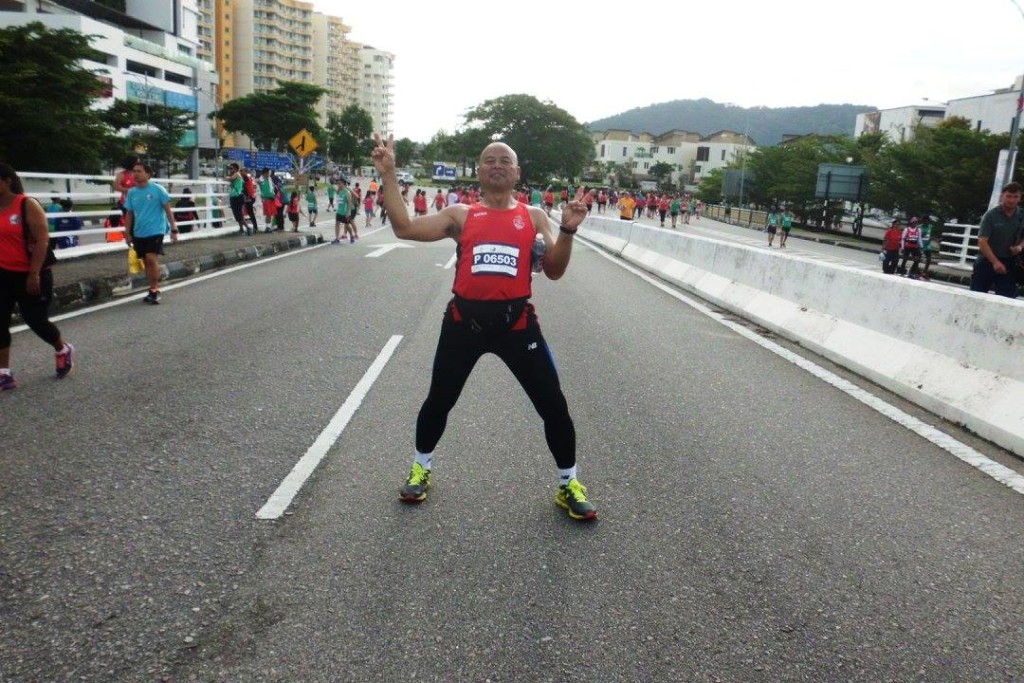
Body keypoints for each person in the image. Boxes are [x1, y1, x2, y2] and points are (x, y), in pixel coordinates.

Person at [370, 133, 597, 522]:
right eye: (489, 160)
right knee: (439, 400)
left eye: (504, 161)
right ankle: (420, 468)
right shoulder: (461, 215)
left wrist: (569, 231)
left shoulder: (533, 217)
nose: (497, 165)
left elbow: (554, 271)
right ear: (478, 171)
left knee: (554, 406)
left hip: (517, 326)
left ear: (517, 172)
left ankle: (569, 484)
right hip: (463, 324)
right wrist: (389, 173)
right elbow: (405, 228)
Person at [0, 163, 76, 390]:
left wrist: (33, 274)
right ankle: (4, 373)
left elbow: (43, 239)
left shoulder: (26, 204)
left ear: (7, 181)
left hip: (31, 273)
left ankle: (62, 348)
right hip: (3, 273)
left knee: (35, 320)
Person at [124, 162, 178, 304]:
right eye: (134, 171)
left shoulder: (157, 189)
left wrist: (174, 228)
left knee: (151, 258)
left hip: (156, 230)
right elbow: (129, 213)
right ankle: (152, 288)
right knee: (145, 261)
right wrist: (127, 232)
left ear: (148, 174)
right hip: (139, 232)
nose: (135, 174)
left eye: (139, 171)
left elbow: (168, 209)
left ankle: (154, 289)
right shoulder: (132, 192)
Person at [971, 182, 1023, 298]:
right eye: (1008, 196)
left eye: (1015, 197)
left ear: (1020, 198)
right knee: (976, 297)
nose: (1012, 200)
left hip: (1009, 262)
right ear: (1002, 196)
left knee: (1008, 299)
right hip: (987, 261)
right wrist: (995, 262)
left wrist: (1019, 247)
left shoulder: (1021, 215)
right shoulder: (991, 215)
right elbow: (982, 241)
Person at [226, 163, 250, 234]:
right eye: (229, 168)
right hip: (233, 197)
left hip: (238, 197)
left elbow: (230, 179)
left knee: (239, 215)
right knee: (236, 215)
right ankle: (241, 229)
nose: (230, 170)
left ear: (236, 169)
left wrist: (227, 178)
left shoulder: (237, 174)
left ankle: (248, 228)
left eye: (231, 168)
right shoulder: (235, 175)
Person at [332, 177, 352, 244]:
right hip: (339, 211)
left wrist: (348, 213)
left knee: (347, 226)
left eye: (339, 184)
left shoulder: (347, 192)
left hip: (345, 212)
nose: (338, 185)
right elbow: (336, 191)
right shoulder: (340, 191)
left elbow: (349, 203)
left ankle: (352, 236)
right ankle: (337, 238)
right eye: (337, 184)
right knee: (337, 223)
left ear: (343, 184)